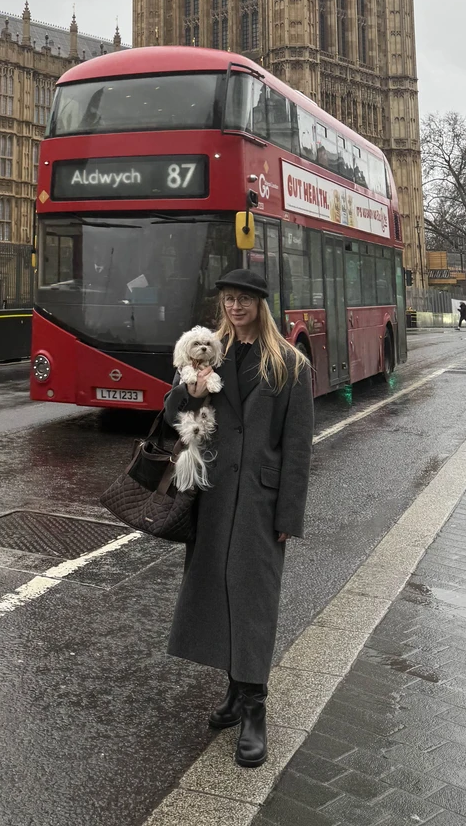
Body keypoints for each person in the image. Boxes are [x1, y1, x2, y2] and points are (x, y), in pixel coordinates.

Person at [162, 267, 313, 768]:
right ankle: (233, 690)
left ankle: (254, 709)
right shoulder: (207, 353)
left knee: (252, 597)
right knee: (217, 589)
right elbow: (169, 413)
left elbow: (297, 445)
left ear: (260, 305)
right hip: (214, 494)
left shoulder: (289, 363)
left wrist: (289, 510)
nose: (235, 307)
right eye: (228, 298)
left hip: (260, 500)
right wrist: (194, 393)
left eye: (244, 299)